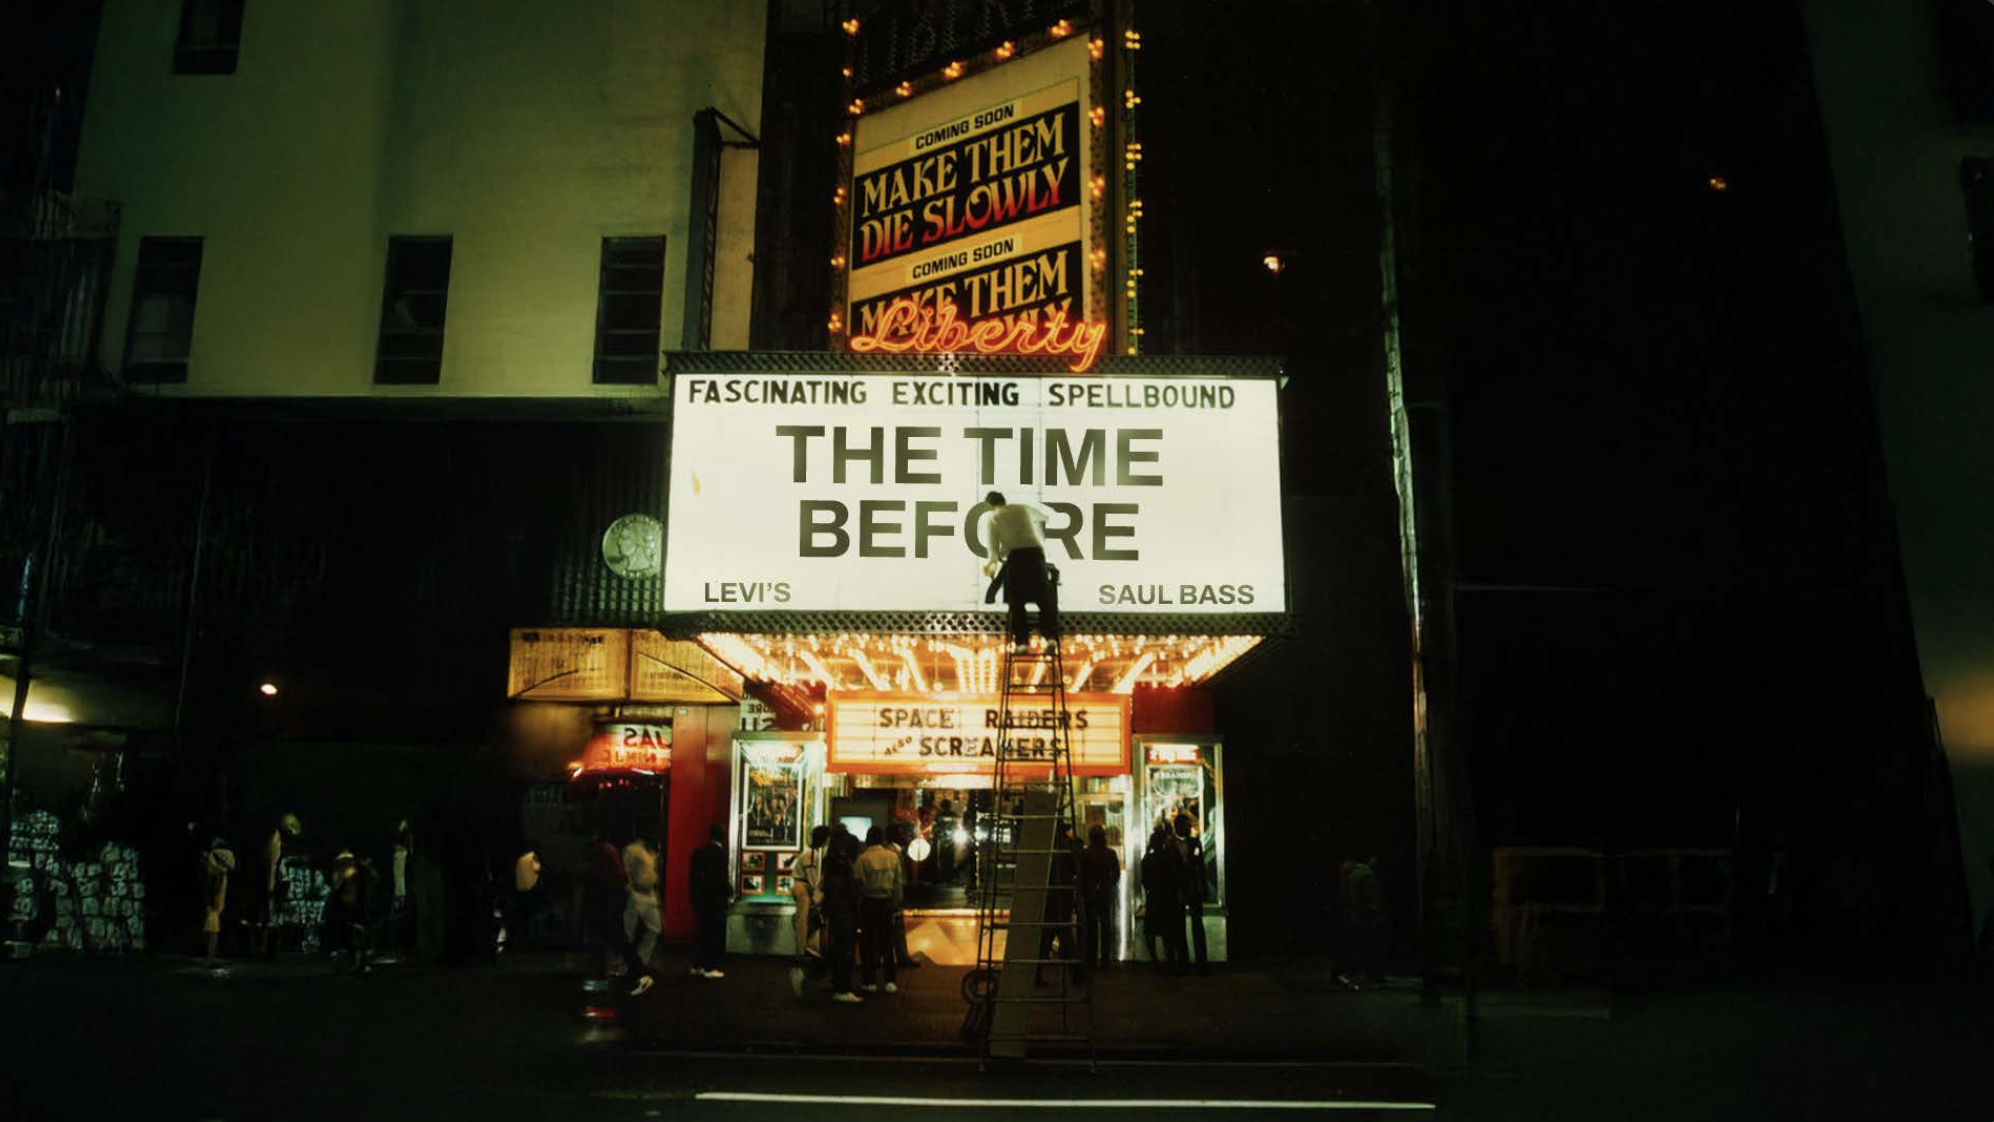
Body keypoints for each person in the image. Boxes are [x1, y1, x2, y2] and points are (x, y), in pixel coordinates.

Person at [980, 491, 1059, 650]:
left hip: (1016, 558)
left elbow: (993, 549)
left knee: (1016, 601)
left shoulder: (993, 518)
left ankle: (1022, 643)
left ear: (990, 505)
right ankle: (1051, 638)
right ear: (1004, 499)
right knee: (1044, 599)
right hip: (1036, 555)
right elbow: (1044, 517)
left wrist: (992, 567)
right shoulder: (1023, 508)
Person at [852, 826, 903, 994]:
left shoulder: (862, 859)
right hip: (886, 903)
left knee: (867, 943)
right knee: (886, 942)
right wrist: (896, 903)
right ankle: (890, 981)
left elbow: (858, 883)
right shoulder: (893, 857)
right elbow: (898, 883)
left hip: (868, 903)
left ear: (868, 839)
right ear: (882, 839)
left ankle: (870, 981)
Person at [821, 828, 863, 1003]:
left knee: (838, 949)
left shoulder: (830, 862)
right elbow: (847, 889)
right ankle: (842, 989)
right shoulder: (843, 866)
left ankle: (838, 984)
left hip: (836, 910)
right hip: (844, 910)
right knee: (845, 950)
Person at [1037, 821, 1080, 984]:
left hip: (1048, 893)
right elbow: (1076, 869)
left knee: (1045, 936)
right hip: (1064, 893)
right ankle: (1075, 973)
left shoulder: (1044, 844)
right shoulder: (1070, 845)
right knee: (1065, 935)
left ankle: (1036, 973)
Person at [620, 834, 661, 996]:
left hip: (646, 892)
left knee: (649, 930)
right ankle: (632, 966)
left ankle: (634, 965)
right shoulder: (633, 850)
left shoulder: (643, 850)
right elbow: (628, 870)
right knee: (630, 932)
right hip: (638, 892)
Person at [689, 823, 732, 979]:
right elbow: (722, 879)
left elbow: (693, 877)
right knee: (713, 934)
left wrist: (694, 897)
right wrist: (729, 892)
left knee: (702, 932)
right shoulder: (721, 854)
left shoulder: (699, 852)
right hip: (716, 900)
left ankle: (697, 965)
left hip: (702, 899)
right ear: (722, 836)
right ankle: (709, 967)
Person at [1141, 827, 1186, 973]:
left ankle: (1155, 960)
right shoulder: (1169, 858)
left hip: (1153, 898)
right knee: (1167, 931)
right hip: (1167, 898)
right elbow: (1176, 876)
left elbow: (1144, 880)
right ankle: (1169, 960)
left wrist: (1149, 890)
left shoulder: (1148, 858)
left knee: (1151, 930)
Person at [1078, 824, 1121, 972]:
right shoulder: (1110, 853)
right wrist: (1107, 884)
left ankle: (1092, 960)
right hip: (1105, 893)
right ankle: (1105, 961)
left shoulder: (1085, 854)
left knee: (1092, 929)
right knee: (1106, 928)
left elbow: (1081, 875)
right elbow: (1116, 875)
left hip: (1090, 894)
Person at [1173, 813, 1210, 974]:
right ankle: (1184, 964)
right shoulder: (1170, 844)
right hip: (1178, 889)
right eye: (1187, 826)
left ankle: (1202, 964)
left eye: (1189, 825)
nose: (1189, 828)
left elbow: (1201, 866)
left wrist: (1203, 888)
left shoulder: (1196, 842)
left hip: (1193, 889)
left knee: (1197, 926)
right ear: (1178, 827)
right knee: (1180, 927)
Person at [792, 825, 828, 959]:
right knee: (803, 921)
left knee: (803, 919)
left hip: (801, 886)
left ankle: (805, 948)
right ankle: (802, 951)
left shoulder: (809, 852)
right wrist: (816, 896)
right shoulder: (813, 855)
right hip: (804, 888)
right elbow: (813, 879)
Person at [198, 838, 235, 965]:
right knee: (213, 929)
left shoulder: (215, 868)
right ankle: (210, 956)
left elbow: (212, 887)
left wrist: (209, 903)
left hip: (214, 903)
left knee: (212, 929)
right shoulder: (221, 870)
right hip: (216, 903)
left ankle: (210, 957)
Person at [509, 840, 542, 953]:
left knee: (522, 919)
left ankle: (521, 942)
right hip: (526, 892)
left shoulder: (521, 860)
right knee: (525, 919)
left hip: (522, 892)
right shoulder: (530, 859)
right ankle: (524, 942)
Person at [388, 821, 414, 954]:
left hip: (401, 891)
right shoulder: (399, 854)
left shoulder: (402, 853)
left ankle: (400, 944)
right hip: (400, 890)